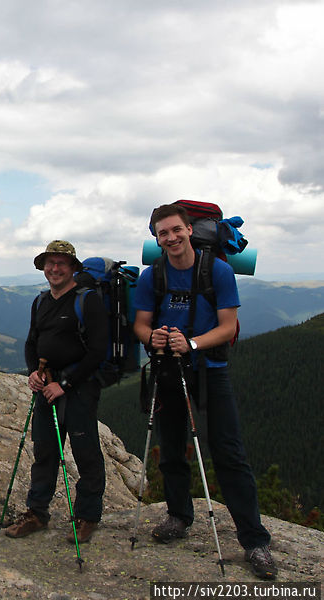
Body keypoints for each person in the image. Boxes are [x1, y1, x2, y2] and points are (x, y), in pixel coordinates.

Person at [133, 203, 276, 580]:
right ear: (156, 238)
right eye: (163, 233)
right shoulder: (153, 276)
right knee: (172, 450)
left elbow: (228, 327)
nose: (171, 237)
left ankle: (255, 541)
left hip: (210, 371)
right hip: (168, 370)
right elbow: (141, 325)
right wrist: (156, 337)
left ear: (190, 230)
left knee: (229, 453)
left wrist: (191, 344)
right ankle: (179, 516)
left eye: (176, 230)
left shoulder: (218, 271)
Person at [5, 240, 108, 544]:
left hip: (78, 388)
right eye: (50, 263)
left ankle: (87, 517)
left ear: (73, 267)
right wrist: (33, 373)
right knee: (45, 451)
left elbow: (98, 351)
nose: (54, 268)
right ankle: (37, 513)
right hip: (46, 386)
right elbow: (31, 343)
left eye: (61, 263)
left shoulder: (87, 301)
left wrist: (65, 384)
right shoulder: (40, 302)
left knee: (86, 452)